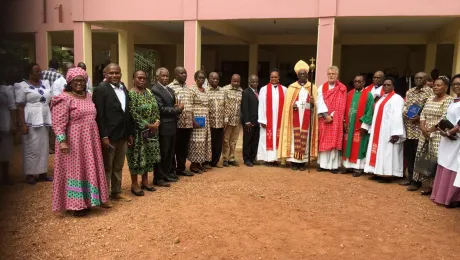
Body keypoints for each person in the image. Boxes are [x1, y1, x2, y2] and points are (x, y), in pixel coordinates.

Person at [51, 67, 108, 216]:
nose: (79, 83)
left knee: (88, 168)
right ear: (69, 82)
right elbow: (58, 123)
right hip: (73, 141)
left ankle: (88, 201)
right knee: (74, 170)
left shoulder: (88, 96)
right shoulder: (64, 98)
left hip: (90, 140)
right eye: (76, 80)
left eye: (82, 80)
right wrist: (62, 141)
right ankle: (75, 205)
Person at [92, 63, 134, 205]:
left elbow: (126, 112)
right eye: (111, 73)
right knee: (107, 166)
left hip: (122, 134)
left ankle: (116, 191)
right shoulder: (101, 89)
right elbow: (100, 115)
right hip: (109, 136)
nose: (115, 75)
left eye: (117, 73)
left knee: (118, 165)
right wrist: (103, 136)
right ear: (105, 74)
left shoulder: (123, 87)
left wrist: (129, 133)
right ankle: (104, 196)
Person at [412, 76, 453, 195]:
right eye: (434, 85)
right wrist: (423, 128)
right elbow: (423, 114)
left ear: (446, 87)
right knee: (422, 156)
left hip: (437, 134)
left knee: (434, 159)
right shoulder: (430, 98)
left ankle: (433, 185)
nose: (435, 87)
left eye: (439, 85)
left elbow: (444, 118)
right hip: (424, 132)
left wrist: (431, 130)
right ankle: (421, 182)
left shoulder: (448, 100)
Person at [14, 63, 53, 185]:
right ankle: (30, 174)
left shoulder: (45, 83)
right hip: (31, 119)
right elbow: (20, 107)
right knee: (31, 147)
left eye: (40, 70)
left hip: (44, 118)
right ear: (29, 73)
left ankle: (42, 173)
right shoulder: (22, 86)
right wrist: (23, 124)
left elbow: (50, 100)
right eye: (36, 71)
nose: (39, 72)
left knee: (43, 147)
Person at [278, 60, 318, 171]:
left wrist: (312, 102)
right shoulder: (291, 88)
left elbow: (316, 104)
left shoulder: (312, 87)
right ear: (297, 75)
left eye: (305, 74)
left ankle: (302, 163)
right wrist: (295, 104)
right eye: (300, 74)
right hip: (294, 118)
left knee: (305, 138)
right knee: (294, 138)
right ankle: (294, 162)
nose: (303, 76)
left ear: (307, 75)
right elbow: (288, 105)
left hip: (307, 118)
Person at [364, 77, 406, 183]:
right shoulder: (382, 98)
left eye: (389, 85)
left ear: (393, 86)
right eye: (384, 85)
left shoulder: (397, 98)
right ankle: (377, 172)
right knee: (378, 151)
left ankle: (387, 174)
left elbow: (397, 116)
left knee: (388, 152)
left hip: (388, 131)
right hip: (378, 131)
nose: (386, 86)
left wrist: (396, 133)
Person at [126, 70, 161, 196]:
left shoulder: (149, 92)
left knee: (147, 157)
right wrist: (148, 125)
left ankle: (145, 181)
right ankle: (134, 184)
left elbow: (155, 108)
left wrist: (156, 122)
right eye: (139, 78)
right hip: (137, 132)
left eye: (144, 78)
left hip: (151, 132)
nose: (142, 80)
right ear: (133, 79)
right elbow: (133, 114)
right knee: (136, 157)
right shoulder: (131, 94)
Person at [152, 68, 185, 186]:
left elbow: (173, 105)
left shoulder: (170, 90)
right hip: (164, 127)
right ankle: (158, 178)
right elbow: (160, 109)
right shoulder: (155, 90)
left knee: (170, 153)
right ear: (157, 77)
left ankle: (166, 174)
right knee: (163, 152)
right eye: (163, 76)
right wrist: (177, 109)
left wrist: (178, 108)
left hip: (172, 126)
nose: (165, 78)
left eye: (167, 76)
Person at [431, 74, 460, 208]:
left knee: (454, 166)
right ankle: (440, 195)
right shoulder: (455, 101)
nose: (456, 86)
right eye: (454, 84)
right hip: (447, 139)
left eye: (459, 84)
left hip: (456, 141)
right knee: (444, 163)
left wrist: (448, 132)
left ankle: (452, 197)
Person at [401, 72, 433, 189]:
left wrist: (419, 118)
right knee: (409, 154)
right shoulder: (410, 92)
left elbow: (429, 109)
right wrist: (406, 114)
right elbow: (405, 106)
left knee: (419, 155)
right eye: (416, 78)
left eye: (421, 78)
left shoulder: (430, 92)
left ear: (425, 80)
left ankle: (417, 181)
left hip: (420, 129)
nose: (418, 80)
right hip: (409, 128)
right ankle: (410, 178)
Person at [316, 66, 347, 173]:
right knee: (323, 139)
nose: (331, 76)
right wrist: (326, 116)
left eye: (333, 74)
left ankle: (333, 166)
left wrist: (333, 116)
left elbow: (342, 105)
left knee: (334, 139)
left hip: (336, 120)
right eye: (329, 74)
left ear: (337, 75)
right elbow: (319, 102)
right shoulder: (321, 87)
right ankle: (322, 164)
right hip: (324, 119)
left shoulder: (342, 88)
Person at [342, 75, 374, 177]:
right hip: (349, 125)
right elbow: (344, 109)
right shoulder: (349, 94)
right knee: (348, 145)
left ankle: (358, 168)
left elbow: (370, 111)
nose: (357, 83)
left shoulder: (368, 95)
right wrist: (344, 122)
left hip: (359, 126)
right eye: (355, 81)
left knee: (358, 146)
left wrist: (364, 126)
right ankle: (347, 166)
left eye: (359, 82)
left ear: (364, 83)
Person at [257, 70, 287, 167]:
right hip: (267, 120)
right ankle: (267, 159)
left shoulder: (284, 89)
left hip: (279, 120)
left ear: (279, 78)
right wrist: (262, 120)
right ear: (270, 78)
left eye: (275, 77)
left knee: (278, 139)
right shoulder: (263, 89)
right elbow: (261, 105)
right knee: (266, 139)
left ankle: (275, 159)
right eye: (272, 77)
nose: (274, 79)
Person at [168, 67, 194, 177]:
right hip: (176, 124)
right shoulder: (170, 88)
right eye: (181, 73)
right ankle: (172, 169)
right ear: (176, 75)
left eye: (185, 73)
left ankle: (181, 168)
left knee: (183, 148)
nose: (184, 75)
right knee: (174, 148)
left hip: (187, 124)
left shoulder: (188, 89)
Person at [188, 70, 212, 173]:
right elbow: (189, 105)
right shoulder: (192, 90)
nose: (201, 79)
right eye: (199, 78)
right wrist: (192, 120)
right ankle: (193, 165)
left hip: (205, 120)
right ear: (195, 78)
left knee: (204, 142)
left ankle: (199, 163)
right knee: (196, 142)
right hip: (196, 119)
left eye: (203, 78)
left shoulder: (205, 90)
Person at [205, 72, 226, 168]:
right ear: (209, 79)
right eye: (213, 79)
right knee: (209, 143)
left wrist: (226, 119)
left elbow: (226, 106)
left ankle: (215, 161)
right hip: (209, 123)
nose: (215, 80)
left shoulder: (222, 91)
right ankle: (207, 162)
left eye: (217, 79)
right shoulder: (205, 91)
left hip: (220, 123)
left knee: (218, 144)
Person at [222, 74, 243, 167]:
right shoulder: (225, 90)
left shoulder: (241, 91)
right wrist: (224, 119)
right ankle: (225, 159)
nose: (236, 83)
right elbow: (223, 105)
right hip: (228, 121)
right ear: (231, 80)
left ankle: (232, 158)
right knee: (226, 140)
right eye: (234, 81)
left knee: (234, 141)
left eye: (238, 81)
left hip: (237, 120)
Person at [0, 75, 17, 185]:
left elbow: (12, 106)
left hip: (4, 120)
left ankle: (5, 175)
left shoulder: (7, 89)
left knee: (5, 150)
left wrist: (14, 124)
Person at [242, 75, 260, 167]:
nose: (255, 83)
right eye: (253, 82)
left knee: (255, 141)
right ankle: (247, 159)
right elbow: (245, 108)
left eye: (256, 81)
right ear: (249, 82)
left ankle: (253, 158)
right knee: (247, 141)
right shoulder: (246, 92)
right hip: (249, 122)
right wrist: (247, 121)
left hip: (257, 121)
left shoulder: (258, 92)